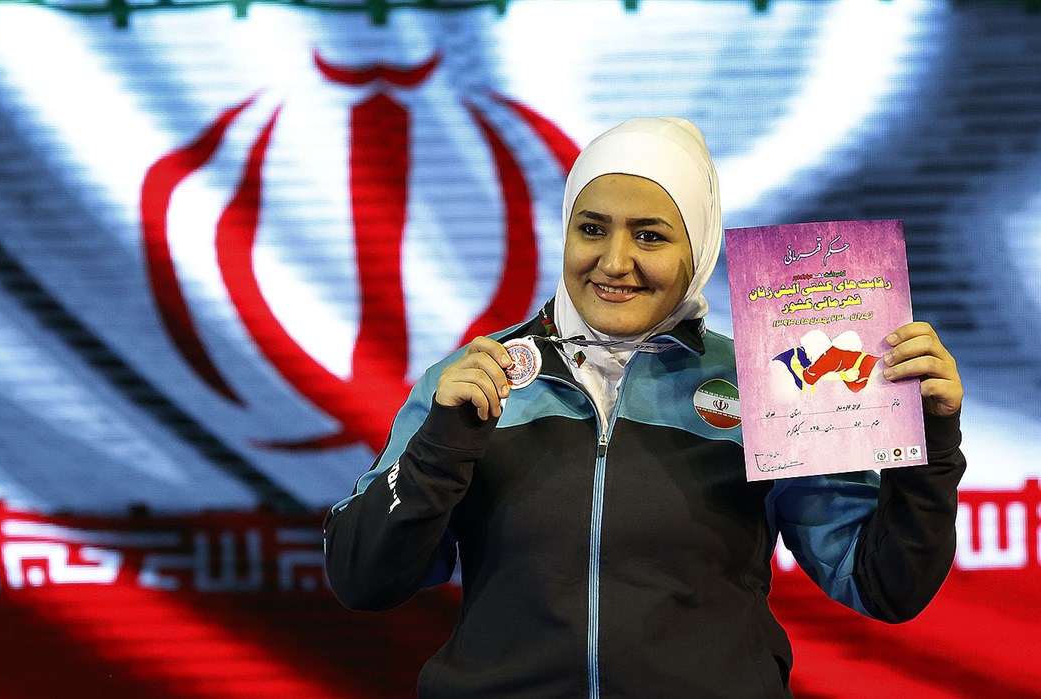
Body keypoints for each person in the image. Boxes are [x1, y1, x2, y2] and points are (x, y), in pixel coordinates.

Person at [322, 117, 966, 698]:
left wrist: (929, 443)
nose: (614, 262)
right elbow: (363, 580)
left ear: (698, 250)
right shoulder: (473, 380)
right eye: (591, 229)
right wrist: (443, 442)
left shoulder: (770, 379)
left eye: (650, 236)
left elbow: (883, 584)